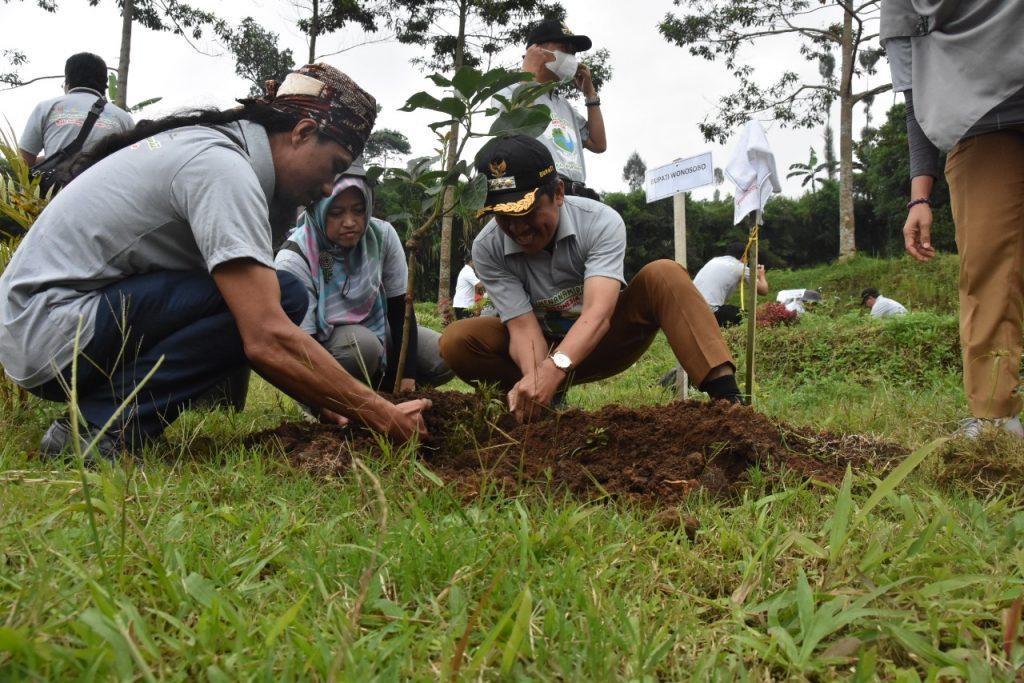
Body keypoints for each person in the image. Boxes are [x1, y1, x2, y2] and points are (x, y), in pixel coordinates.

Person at [0, 63, 430, 463]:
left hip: (49, 327)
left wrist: (324, 401)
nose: (328, 188)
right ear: (301, 132)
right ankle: (101, 430)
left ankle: (108, 418)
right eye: (334, 167)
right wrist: (379, 412)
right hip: (51, 330)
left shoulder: (219, 150)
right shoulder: (222, 169)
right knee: (281, 296)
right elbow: (266, 336)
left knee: (279, 293)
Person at [439, 135, 742, 423]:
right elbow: (521, 328)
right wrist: (539, 380)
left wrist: (555, 367)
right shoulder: (487, 247)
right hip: (541, 344)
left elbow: (598, 314)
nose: (518, 230)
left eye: (527, 213)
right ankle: (539, 405)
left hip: (603, 341)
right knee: (457, 339)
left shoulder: (600, 222)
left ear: (558, 193)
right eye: (503, 217)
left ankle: (730, 402)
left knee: (664, 273)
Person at [883, 1, 1024, 439]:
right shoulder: (904, 6)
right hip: (981, 132)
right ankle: (995, 419)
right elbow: (917, 100)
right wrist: (918, 199)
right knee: (989, 272)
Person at [275, 166, 453, 391]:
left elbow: (400, 311)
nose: (349, 222)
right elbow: (302, 344)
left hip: (377, 328)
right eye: (336, 213)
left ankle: (385, 394)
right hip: (324, 343)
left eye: (358, 210)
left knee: (444, 355)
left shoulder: (381, 236)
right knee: (362, 348)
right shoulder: (295, 257)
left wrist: (406, 378)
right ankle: (339, 399)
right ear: (318, 211)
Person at [493, 19, 606, 200]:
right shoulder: (510, 90)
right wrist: (528, 72)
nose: (571, 57)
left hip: (575, 194)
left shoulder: (563, 105)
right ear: (537, 50)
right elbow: (513, 128)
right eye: (565, 48)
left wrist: (590, 94)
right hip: (540, 194)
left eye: (573, 52)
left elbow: (598, 144)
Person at [18, 52, 134, 166]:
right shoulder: (123, 118)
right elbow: (133, 161)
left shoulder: (46, 108)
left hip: (59, 184)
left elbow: (23, 162)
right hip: (108, 183)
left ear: (67, 81)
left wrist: (52, 159)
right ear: (105, 85)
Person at [692, 241, 769, 328]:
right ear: (744, 257)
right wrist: (761, 275)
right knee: (750, 319)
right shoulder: (740, 267)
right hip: (710, 311)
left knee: (730, 311)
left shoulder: (714, 261)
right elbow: (764, 290)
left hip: (691, 309)